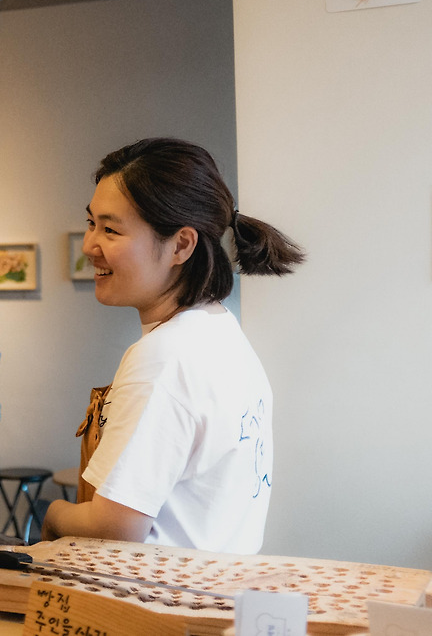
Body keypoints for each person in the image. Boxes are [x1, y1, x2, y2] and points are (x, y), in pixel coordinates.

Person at [40, 138, 304, 554]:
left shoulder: (165, 357)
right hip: (218, 587)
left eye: (110, 230)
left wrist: (53, 513)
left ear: (181, 245)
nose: (90, 246)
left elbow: (115, 527)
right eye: (92, 223)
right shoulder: (221, 332)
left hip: (160, 592)